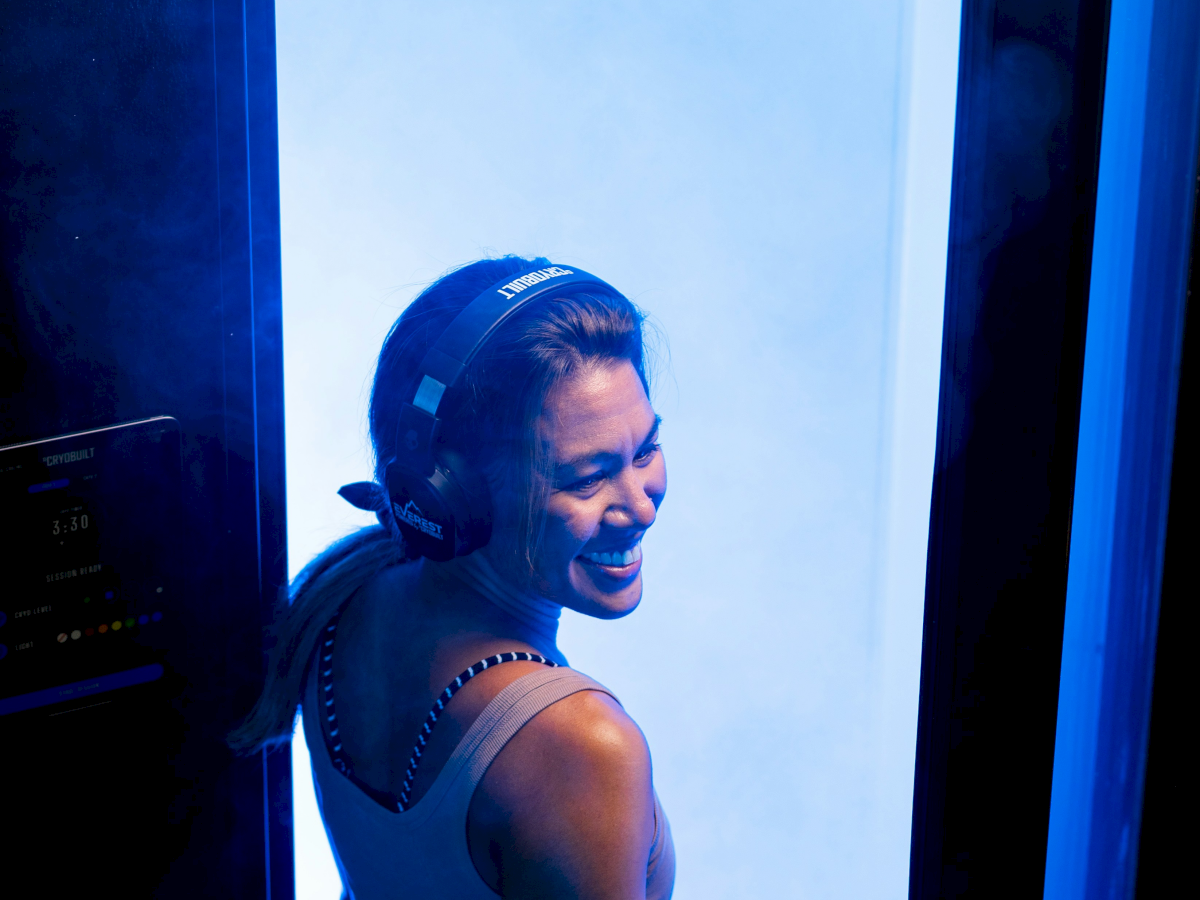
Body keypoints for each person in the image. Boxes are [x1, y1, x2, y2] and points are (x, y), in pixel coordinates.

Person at [231, 256, 675, 899]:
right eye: (587, 477)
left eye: (645, 452)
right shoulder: (578, 745)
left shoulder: (342, 600)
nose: (640, 505)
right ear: (449, 495)